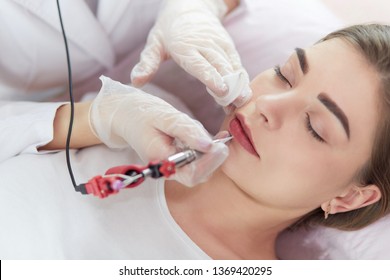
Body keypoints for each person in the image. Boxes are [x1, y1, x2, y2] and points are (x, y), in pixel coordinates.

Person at [1, 23, 389, 259]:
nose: (268, 104)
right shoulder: (137, 116)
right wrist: (96, 118)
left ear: (350, 198)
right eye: (284, 74)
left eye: (315, 126)